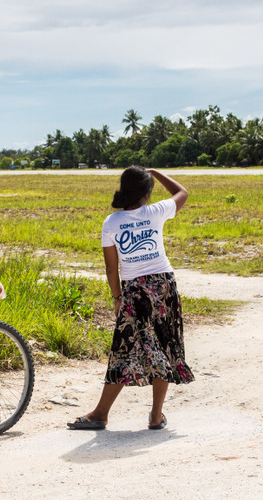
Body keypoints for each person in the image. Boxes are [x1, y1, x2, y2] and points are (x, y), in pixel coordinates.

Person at [68, 166, 194, 431]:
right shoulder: (156, 211)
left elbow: (111, 268)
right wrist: (156, 172)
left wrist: (117, 297)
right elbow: (181, 192)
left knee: (123, 349)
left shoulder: (112, 222)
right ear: (147, 194)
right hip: (163, 287)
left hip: (134, 290)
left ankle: (101, 413)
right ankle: (155, 416)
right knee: (164, 347)